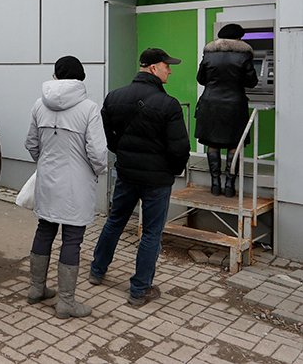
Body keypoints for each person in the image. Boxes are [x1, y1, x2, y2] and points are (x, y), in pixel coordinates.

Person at [90, 48, 190, 306]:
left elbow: (105, 136)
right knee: (151, 233)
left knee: (114, 221)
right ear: (154, 68)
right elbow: (180, 148)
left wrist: (122, 152)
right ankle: (139, 289)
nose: (170, 70)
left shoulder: (115, 97)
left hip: (126, 172)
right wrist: (172, 170)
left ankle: (97, 271)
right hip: (157, 180)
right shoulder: (168, 104)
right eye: (167, 66)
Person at [24, 56, 107, 319]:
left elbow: (31, 143)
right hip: (76, 183)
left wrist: (46, 163)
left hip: (47, 179)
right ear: (81, 77)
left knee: (44, 229)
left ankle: (36, 289)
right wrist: (96, 171)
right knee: (72, 238)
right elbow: (98, 153)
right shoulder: (89, 108)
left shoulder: (39, 104)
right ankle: (66, 303)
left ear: (56, 76)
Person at [195, 23, 259, 197]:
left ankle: (215, 185)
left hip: (210, 104)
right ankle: (229, 186)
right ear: (239, 38)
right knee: (234, 145)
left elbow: (201, 79)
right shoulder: (244, 55)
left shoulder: (209, 54)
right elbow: (252, 82)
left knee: (212, 144)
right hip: (234, 106)